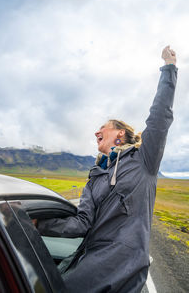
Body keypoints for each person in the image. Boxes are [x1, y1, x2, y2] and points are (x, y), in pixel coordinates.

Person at [35, 46, 177, 292]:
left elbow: (159, 117)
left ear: (120, 133)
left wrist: (169, 68)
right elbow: (81, 224)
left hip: (123, 266)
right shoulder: (96, 175)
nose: (95, 131)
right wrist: (37, 224)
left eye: (103, 126)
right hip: (89, 260)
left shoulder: (144, 159)